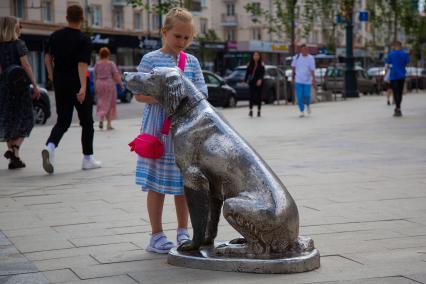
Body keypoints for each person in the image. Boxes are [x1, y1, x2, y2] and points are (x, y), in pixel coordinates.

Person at [134, 7, 207, 254]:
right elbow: (139, 94)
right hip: (157, 131)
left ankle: (182, 231)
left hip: (184, 132)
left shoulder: (192, 61)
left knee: (184, 183)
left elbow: (202, 93)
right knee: (156, 184)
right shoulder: (150, 59)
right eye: (177, 36)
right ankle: (155, 235)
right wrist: (164, 97)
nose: (182, 42)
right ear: (164, 32)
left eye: (187, 38)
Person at [42, 5, 101, 173]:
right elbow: (82, 64)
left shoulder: (55, 35)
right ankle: (87, 159)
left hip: (60, 82)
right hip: (77, 83)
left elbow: (47, 58)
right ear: (82, 19)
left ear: (67, 18)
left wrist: (52, 76)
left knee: (63, 121)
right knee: (87, 122)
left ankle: (51, 146)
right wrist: (83, 87)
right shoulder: (83, 39)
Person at [0, 16, 40, 169]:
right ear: (13, 27)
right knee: (25, 119)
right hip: (20, 88)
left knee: (9, 120)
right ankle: (15, 150)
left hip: (4, 87)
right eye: (17, 24)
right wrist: (35, 85)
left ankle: (13, 157)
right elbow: (26, 65)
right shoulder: (19, 44)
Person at [94, 47, 124, 130]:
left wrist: (96, 86)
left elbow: (95, 76)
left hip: (99, 83)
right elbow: (116, 74)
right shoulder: (111, 64)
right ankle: (109, 124)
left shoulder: (97, 64)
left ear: (100, 55)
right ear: (108, 54)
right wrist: (121, 84)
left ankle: (101, 119)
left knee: (101, 102)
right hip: (109, 83)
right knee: (110, 103)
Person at [385, 41, 409, 117]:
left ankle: (397, 108)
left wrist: (390, 69)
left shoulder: (391, 54)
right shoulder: (404, 54)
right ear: (400, 46)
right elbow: (406, 63)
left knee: (395, 92)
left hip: (393, 75)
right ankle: (398, 107)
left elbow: (388, 65)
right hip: (402, 75)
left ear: (394, 46)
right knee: (400, 92)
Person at [291, 44, 316, 117]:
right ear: (301, 50)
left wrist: (313, 79)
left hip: (307, 81)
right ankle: (301, 111)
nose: (305, 51)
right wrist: (292, 78)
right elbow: (293, 68)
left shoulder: (311, 58)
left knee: (307, 95)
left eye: (306, 49)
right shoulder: (296, 57)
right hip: (298, 81)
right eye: (304, 49)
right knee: (299, 97)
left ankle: (308, 105)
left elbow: (312, 70)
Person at [244, 51, 265, 117]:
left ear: (259, 56)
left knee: (259, 96)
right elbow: (247, 73)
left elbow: (262, 73)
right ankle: (251, 110)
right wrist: (245, 80)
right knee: (251, 96)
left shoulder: (261, 64)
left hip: (259, 82)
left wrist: (260, 79)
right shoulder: (249, 64)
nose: (256, 57)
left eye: (257, 55)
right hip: (252, 82)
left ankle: (259, 111)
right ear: (252, 56)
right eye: (255, 55)